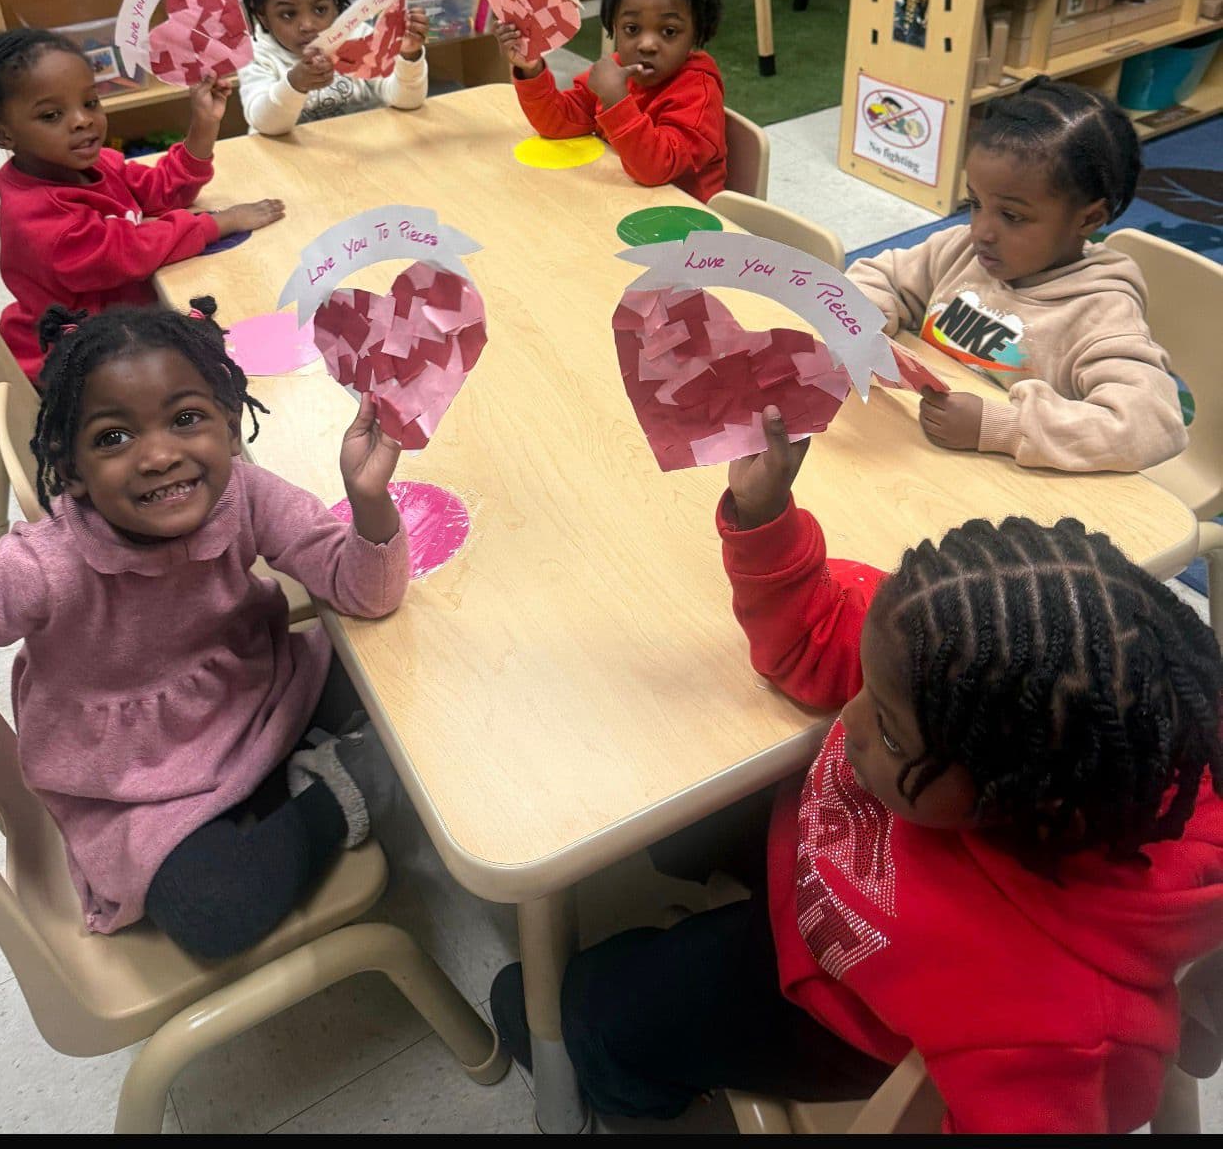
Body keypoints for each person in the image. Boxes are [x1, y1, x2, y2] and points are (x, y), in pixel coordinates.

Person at [490, 411, 1223, 1133]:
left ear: (1025, 798)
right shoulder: (958, 661)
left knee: (566, 1015)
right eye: (868, 693)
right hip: (818, 868)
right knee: (651, 797)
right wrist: (765, 514)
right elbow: (819, 632)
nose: (851, 720)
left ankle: (637, 1091)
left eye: (894, 740)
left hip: (837, 1008)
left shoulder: (1062, 1024)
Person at [0, 300, 409, 960]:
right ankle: (346, 780)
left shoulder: (242, 492)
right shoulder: (47, 564)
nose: (159, 455)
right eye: (112, 438)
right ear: (70, 470)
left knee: (421, 683)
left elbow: (364, 593)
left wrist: (368, 503)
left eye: (186, 419)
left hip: (258, 696)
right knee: (212, 913)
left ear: (227, 424)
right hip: (131, 782)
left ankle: (292, 783)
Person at [845, 77, 1186, 471]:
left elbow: (1151, 425)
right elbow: (878, 274)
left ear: (1088, 218)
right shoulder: (961, 250)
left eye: (1012, 215)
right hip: (914, 457)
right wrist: (861, 318)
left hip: (1009, 487)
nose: (982, 231)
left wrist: (1003, 427)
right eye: (975, 202)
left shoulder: (1101, 312)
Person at [0, 28, 284, 382]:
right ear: (3, 136)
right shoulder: (39, 217)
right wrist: (217, 223)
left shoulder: (94, 164)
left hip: (122, 324)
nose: (83, 120)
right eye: (52, 115)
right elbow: (127, 251)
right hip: (81, 357)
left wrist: (203, 128)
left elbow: (161, 192)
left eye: (90, 102)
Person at [496, 0, 727, 202]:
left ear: (697, 31)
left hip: (686, 226)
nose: (647, 44)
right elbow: (557, 123)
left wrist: (617, 101)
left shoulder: (698, 92)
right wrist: (531, 69)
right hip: (628, 206)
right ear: (613, 24)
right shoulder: (618, 69)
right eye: (631, 29)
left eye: (669, 32)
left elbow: (655, 168)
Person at [239, 0, 429, 134]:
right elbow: (265, 124)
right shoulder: (256, 55)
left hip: (364, 153)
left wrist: (408, 56)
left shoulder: (359, 36)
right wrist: (295, 84)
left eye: (320, 9)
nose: (307, 25)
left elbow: (407, 101)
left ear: (337, 2)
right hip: (291, 162)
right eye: (288, 14)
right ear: (262, 14)